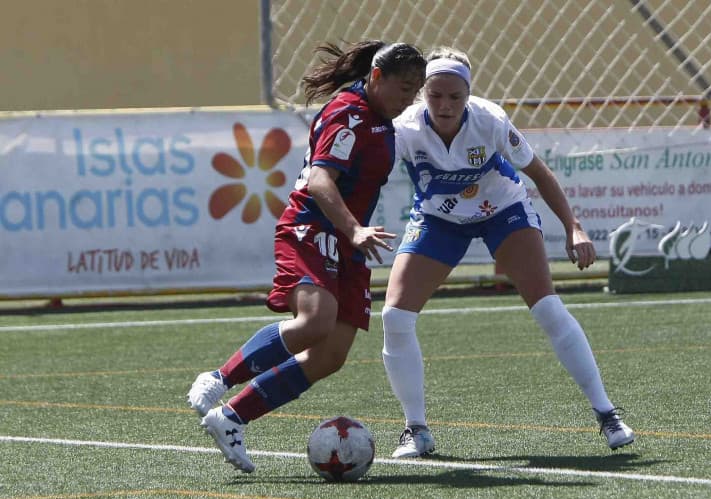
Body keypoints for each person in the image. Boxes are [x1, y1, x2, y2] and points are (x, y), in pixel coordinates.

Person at [381, 47, 635, 458]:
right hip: (438, 218)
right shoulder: (403, 129)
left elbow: (539, 173)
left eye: (455, 97)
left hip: (503, 211)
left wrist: (574, 226)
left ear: (469, 95)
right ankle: (416, 429)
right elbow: (367, 179)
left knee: (548, 308)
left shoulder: (490, 120)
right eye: (435, 95)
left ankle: (607, 414)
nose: (445, 106)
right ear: (421, 94)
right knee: (394, 316)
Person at [187, 41, 427, 473]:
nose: (409, 99)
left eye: (416, 91)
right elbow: (319, 180)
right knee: (315, 321)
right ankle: (218, 379)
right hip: (312, 226)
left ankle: (231, 417)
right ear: (377, 77)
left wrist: (353, 234)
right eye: (404, 88)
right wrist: (354, 229)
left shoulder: (381, 120)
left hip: (349, 244)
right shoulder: (349, 113)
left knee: (331, 353)